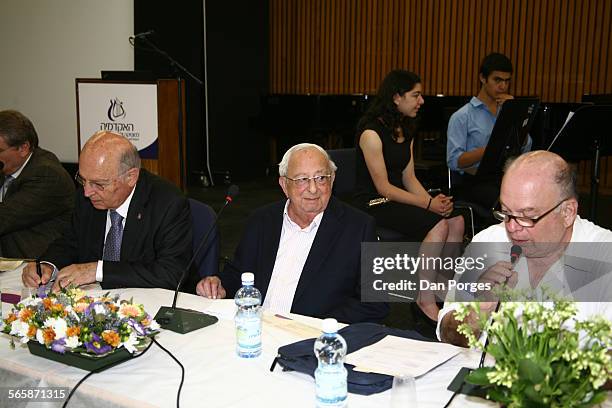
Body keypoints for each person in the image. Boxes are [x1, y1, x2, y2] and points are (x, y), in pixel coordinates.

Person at [197, 143, 389, 324]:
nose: (313, 189)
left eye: (321, 178)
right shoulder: (262, 219)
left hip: (311, 338)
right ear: (284, 185)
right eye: (302, 180)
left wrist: (313, 325)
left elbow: (377, 304)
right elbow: (238, 273)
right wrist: (218, 285)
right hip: (254, 327)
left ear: (333, 179)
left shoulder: (362, 226)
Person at [437, 151, 612, 347]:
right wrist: (479, 309)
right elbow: (447, 335)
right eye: (506, 212)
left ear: (567, 212)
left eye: (527, 216)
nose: (512, 227)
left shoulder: (604, 256)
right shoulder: (488, 241)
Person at [353, 70, 464, 322]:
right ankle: (424, 298)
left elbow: (409, 178)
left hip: (396, 197)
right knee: (437, 225)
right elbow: (383, 188)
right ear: (396, 97)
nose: (421, 101)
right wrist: (428, 205)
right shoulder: (371, 133)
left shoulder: (405, 128)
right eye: (416, 95)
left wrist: (436, 205)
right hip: (374, 202)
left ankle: (441, 287)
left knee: (455, 220)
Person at [22, 131, 192, 291]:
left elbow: (171, 274)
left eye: (98, 184)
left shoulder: (167, 203)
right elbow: (71, 241)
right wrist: (47, 265)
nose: (87, 192)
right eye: (83, 180)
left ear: (131, 177)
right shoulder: (87, 196)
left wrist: (98, 270)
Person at [446, 52, 532, 209]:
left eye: (507, 81)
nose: (503, 86)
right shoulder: (462, 116)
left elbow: (525, 148)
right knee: (507, 203)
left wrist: (516, 114)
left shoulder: (507, 110)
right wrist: (491, 149)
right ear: (483, 78)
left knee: (534, 198)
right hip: (474, 182)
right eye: (497, 80)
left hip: (506, 176)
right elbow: (453, 161)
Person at [0, 110, 75, 259]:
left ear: (23, 148)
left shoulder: (46, 175)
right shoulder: (7, 166)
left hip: (34, 267)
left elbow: (4, 218)